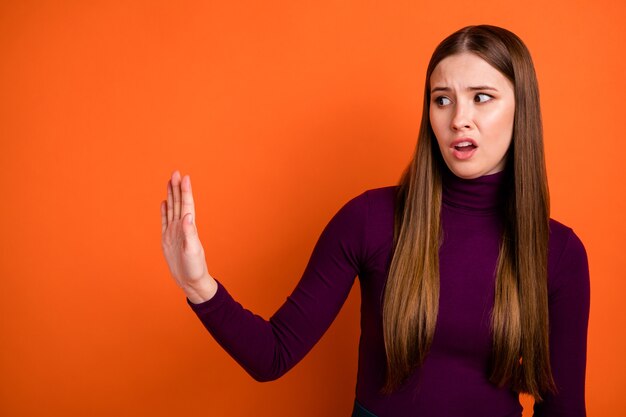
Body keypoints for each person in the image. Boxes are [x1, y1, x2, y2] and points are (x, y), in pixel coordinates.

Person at [160, 25, 590, 417]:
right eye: (442, 99)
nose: (459, 118)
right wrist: (199, 286)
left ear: (521, 107)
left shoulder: (560, 253)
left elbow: (563, 409)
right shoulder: (369, 220)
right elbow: (273, 355)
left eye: (481, 97)